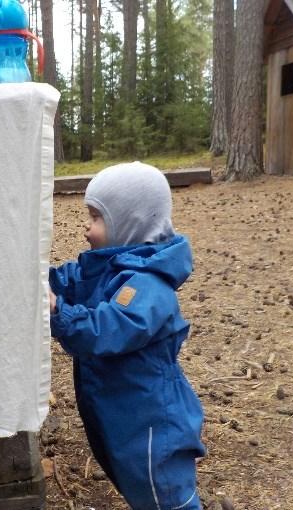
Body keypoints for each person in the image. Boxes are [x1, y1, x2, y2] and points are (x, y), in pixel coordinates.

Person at [48, 161, 205, 510]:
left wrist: (58, 311)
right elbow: (70, 280)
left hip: (151, 426)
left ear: (129, 222)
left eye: (96, 217)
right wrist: (39, 278)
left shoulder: (148, 286)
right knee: (142, 492)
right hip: (123, 418)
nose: (87, 228)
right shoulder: (108, 267)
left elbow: (106, 329)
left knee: (166, 498)